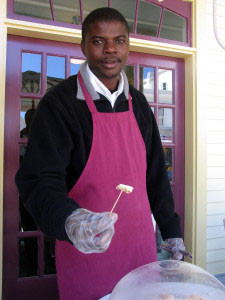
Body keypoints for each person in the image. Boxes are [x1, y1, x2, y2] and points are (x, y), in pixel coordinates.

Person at [15, 7, 188, 300]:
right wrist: (70, 221)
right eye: (98, 41)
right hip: (87, 251)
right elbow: (39, 180)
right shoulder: (59, 105)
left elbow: (155, 174)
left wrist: (171, 229)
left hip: (139, 250)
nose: (110, 50)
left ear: (128, 46)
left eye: (119, 41)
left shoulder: (139, 103)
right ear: (83, 46)